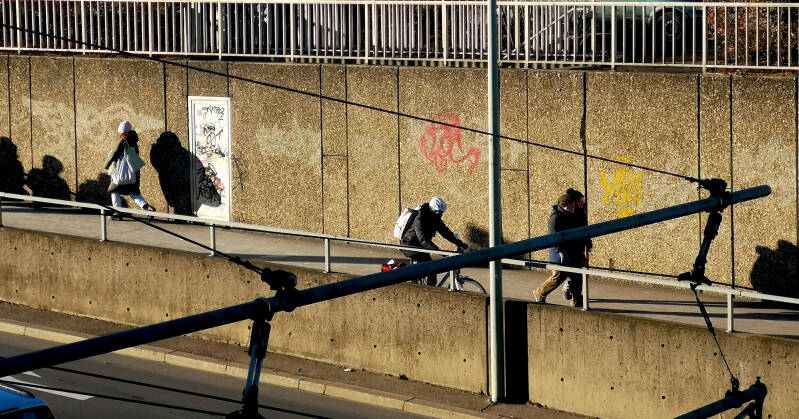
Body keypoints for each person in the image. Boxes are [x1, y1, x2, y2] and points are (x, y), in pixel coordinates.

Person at [400, 196, 468, 286]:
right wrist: (440, 252)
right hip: (409, 245)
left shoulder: (435, 218)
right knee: (431, 267)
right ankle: (421, 287)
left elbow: (445, 232)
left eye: (441, 212)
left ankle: (425, 285)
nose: (440, 214)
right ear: (431, 209)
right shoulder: (420, 218)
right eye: (438, 212)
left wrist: (458, 242)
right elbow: (423, 240)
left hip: (420, 246)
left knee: (430, 268)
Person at [533, 193, 584, 307]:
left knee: (576, 277)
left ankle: (576, 301)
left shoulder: (572, 214)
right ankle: (540, 292)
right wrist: (560, 252)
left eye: (573, 205)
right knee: (559, 276)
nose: (573, 208)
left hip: (572, 252)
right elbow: (553, 238)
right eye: (570, 206)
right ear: (564, 206)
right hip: (559, 253)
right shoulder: (555, 218)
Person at [104, 121, 155, 218]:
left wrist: (106, 165)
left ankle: (117, 212)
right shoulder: (134, 141)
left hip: (121, 173)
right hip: (133, 172)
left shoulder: (122, 142)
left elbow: (114, 154)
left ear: (121, 131)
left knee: (114, 191)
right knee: (133, 192)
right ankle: (146, 207)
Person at [562, 188, 592, 301]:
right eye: (580, 201)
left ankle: (575, 294)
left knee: (582, 270)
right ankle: (571, 290)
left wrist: (588, 243)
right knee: (575, 272)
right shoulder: (570, 214)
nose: (582, 203)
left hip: (579, 246)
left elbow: (585, 229)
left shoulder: (582, 211)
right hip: (571, 248)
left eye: (583, 201)